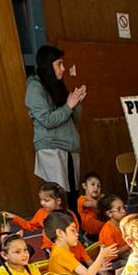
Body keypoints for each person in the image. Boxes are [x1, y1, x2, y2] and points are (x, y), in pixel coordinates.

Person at [25, 43, 85, 194]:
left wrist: (77, 103)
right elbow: (47, 120)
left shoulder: (57, 85)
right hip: (52, 149)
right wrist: (68, 106)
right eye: (59, 64)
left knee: (72, 196)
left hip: (70, 148)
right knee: (59, 198)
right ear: (48, 66)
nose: (63, 68)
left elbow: (74, 119)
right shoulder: (35, 88)